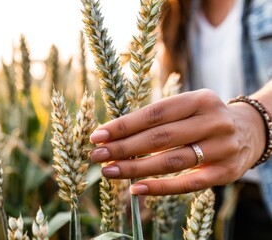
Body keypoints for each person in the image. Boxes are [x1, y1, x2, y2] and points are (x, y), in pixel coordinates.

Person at [89, 0, 272, 239]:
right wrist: (150, 175)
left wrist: (257, 121)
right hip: (202, 192)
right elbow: (166, 109)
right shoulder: (174, 17)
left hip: (262, 196)